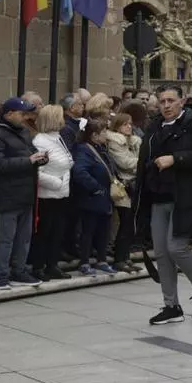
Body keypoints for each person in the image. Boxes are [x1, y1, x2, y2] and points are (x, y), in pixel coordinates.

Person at [135, 84, 192, 325]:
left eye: (171, 100)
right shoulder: (154, 127)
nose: (166, 105)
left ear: (182, 101)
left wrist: (175, 159)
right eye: (162, 101)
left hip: (186, 196)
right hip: (158, 195)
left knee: (176, 247)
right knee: (161, 252)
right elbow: (144, 159)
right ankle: (171, 306)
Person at [0, 98, 48, 290]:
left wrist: (41, 158)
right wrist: (29, 161)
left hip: (25, 193)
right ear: (9, 113)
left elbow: (31, 153)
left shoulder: (23, 131)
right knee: (4, 239)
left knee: (23, 238)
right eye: (22, 113)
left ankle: (19, 271)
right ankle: (0, 275)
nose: (25, 117)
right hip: (6, 195)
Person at [30, 105, 73, 281]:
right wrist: (56, 182)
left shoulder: (58, 138)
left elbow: (66, 163)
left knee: (57, 232)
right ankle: (38, 266)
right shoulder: (40, 141)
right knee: (44, 233)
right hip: (47, 195)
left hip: (61, 193)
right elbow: (37, 171)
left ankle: (52, 265)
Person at [71, 117, 118, 276]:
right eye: (103, 132)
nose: (106, 134)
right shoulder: (84, 150)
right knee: (88, 231)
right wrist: (96, 188)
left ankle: (102, 260)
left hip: (104, 197)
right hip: (92, 197)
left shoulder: (101, 149)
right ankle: (84, 262)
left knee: (104, 230)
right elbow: (80, 172)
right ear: (94, 135)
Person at [105, 113, 140, 272]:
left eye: (130, 124)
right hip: (122, 186)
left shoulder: (133, 142)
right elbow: (125, 163)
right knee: (124, 223)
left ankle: (126, 256)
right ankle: (119, 258)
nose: (129, 127)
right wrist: (142, 162)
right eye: (125, 124)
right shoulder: (114, 142)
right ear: (117, 125)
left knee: (131, 224)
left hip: (134, 184)